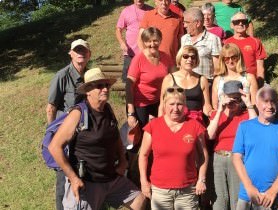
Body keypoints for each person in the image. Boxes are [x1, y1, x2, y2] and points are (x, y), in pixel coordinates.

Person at [48, 68, 146, 210]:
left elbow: (115, 136)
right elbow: (54, 147)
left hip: (111, 178)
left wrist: (123, 160)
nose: (105, 89)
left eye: (106, 85)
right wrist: (73, 178)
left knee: (139, 200)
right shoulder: (78, 113)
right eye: (99, 86)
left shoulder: (107, 109)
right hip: (88, 183)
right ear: (88, 90)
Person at [139, 87, 208, 210]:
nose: (175, 109)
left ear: (185, 105)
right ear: (164, 105)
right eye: (171, 104)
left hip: (187, 190)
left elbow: (203, 155)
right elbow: (143, 155)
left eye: (180, 104)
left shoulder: (194, 126)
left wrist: (201, 179)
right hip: (160, 190)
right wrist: (144, 181)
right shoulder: (153, 126)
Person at [232, 85, 278, 210]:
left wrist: (273, 190)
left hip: (276, 197)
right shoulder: (244, 127)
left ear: (277, 105)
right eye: (265, 101)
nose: (269, 106)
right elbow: (236, 158)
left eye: (273, 101)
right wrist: (249, 188)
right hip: (248, 196)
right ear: (257, 104)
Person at [46, 38, 91, 210]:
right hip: (64, 134)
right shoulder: (62, 76)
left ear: (89, 54)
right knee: (62, 173)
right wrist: (51, 135)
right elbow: (51, 108)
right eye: (77, 51)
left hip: (84, 133)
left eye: (83, 51)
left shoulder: (90, 75)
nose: (80, 54)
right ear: (70, 54)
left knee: (82, 170)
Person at [207, 80, 257, 210]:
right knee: (219, 200)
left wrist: (248, 104)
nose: (232, 101)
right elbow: (209, 135)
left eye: (236, 98)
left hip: (238, 159)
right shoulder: (216, 114)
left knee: (237, 199)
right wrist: (219, 111)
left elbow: (257, 130)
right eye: (229, 97)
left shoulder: (246, 115)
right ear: (223, 96)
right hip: (218, 158)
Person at [126, 27, 174, 129]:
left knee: (160, 130)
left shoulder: (165, 57)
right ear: (144, 42)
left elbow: (175, 77)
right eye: (148, 41)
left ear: (160, 40)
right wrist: (131, 113)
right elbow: (129, 85)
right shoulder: (138, 59)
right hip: (141, 103)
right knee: (142, 133)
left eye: (155, 40)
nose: (152, 44)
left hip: (159, 101)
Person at [159, 45, 212, 123]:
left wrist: (212, 116)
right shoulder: (169, 79)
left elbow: (206, 105)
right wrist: (160, 124)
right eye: (185, 56)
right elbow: (162, 105)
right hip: (174, 121)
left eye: (193, 57)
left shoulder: (202, 79)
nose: (190, 59)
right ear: (180, 58)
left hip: (196, 121)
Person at [116, 0, 153, 82]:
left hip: (147, 53)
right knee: (127, 81)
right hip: (130, 53)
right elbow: (118, 29)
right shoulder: (126, 11)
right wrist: (122, 43)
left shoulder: (152, 11)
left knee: (146, 80)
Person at [181, 7, 222, 83]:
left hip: (206, 85)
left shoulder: (213, 39)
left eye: (187, 22)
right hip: (187, 84)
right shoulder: (184, 39)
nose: (184, 26)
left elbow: (218, 68)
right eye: (184, 23)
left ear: (197, 23)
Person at [212, 43, 258, 110]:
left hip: (245, 114)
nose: (230, 61)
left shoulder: (249, 78)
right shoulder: (217, 80)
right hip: (224, 116)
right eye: (227, 58)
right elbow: (215, 106)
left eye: (233, 57)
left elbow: (255, 104)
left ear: (239, 57)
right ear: (223, 60)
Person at [224, 12, 267, 84]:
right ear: (232, 25)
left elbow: (260, 68)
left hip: (252, 82)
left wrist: (260, 85)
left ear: (247, 25)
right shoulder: (226, 43)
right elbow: (224, 65)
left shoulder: (256, 42)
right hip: (232, 82)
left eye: (244, 21)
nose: (240, 24)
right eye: (237, 22)